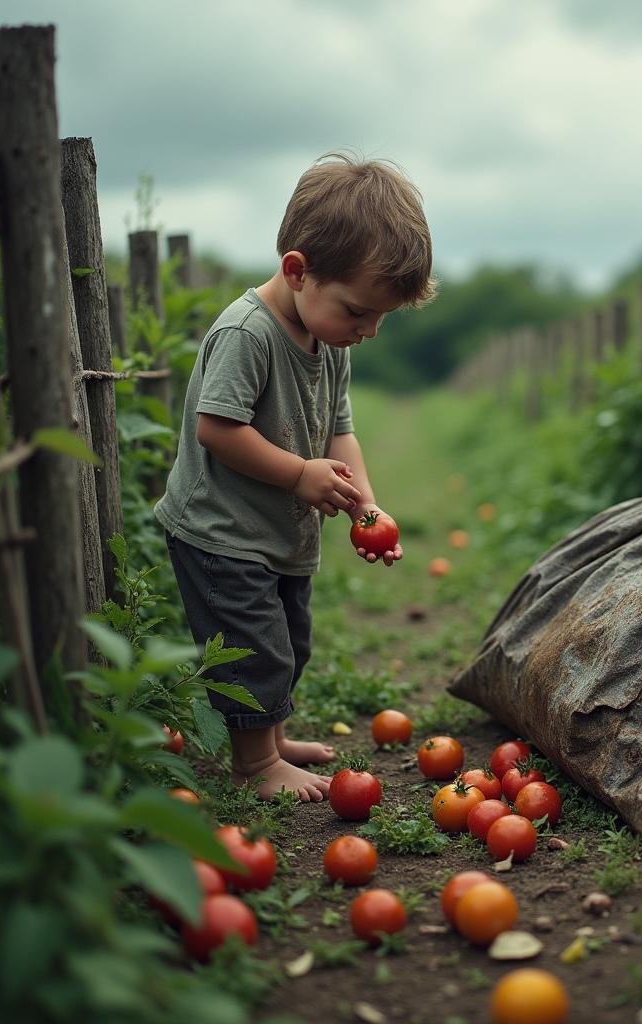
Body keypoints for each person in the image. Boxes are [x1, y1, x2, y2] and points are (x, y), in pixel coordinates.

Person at [154, 153, 435, 802]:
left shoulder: (328, 340)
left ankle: (271, 739)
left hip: (275, 530)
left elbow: (340, 432)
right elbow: (216, 430)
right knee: (256, 647)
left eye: (378, 321)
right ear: (297, 270)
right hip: (218, 529)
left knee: (289, 639)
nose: (366, 332)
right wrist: (300, 475)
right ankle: (255, 765)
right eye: (358, 313)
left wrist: (366, 507)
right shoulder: (248, 333)